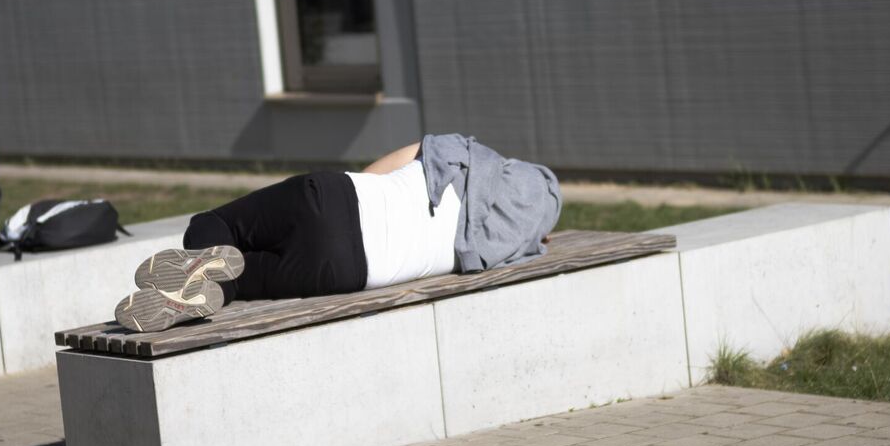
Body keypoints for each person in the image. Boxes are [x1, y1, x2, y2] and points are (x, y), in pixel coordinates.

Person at [115, 134, 562, 332]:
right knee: (243, 281)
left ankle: (199, 267)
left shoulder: (465, 154)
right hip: (347, 269)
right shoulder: (498, 249)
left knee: (213, 225)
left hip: (334, 201)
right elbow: (532, 247)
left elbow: (372, 171)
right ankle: (204, 292)